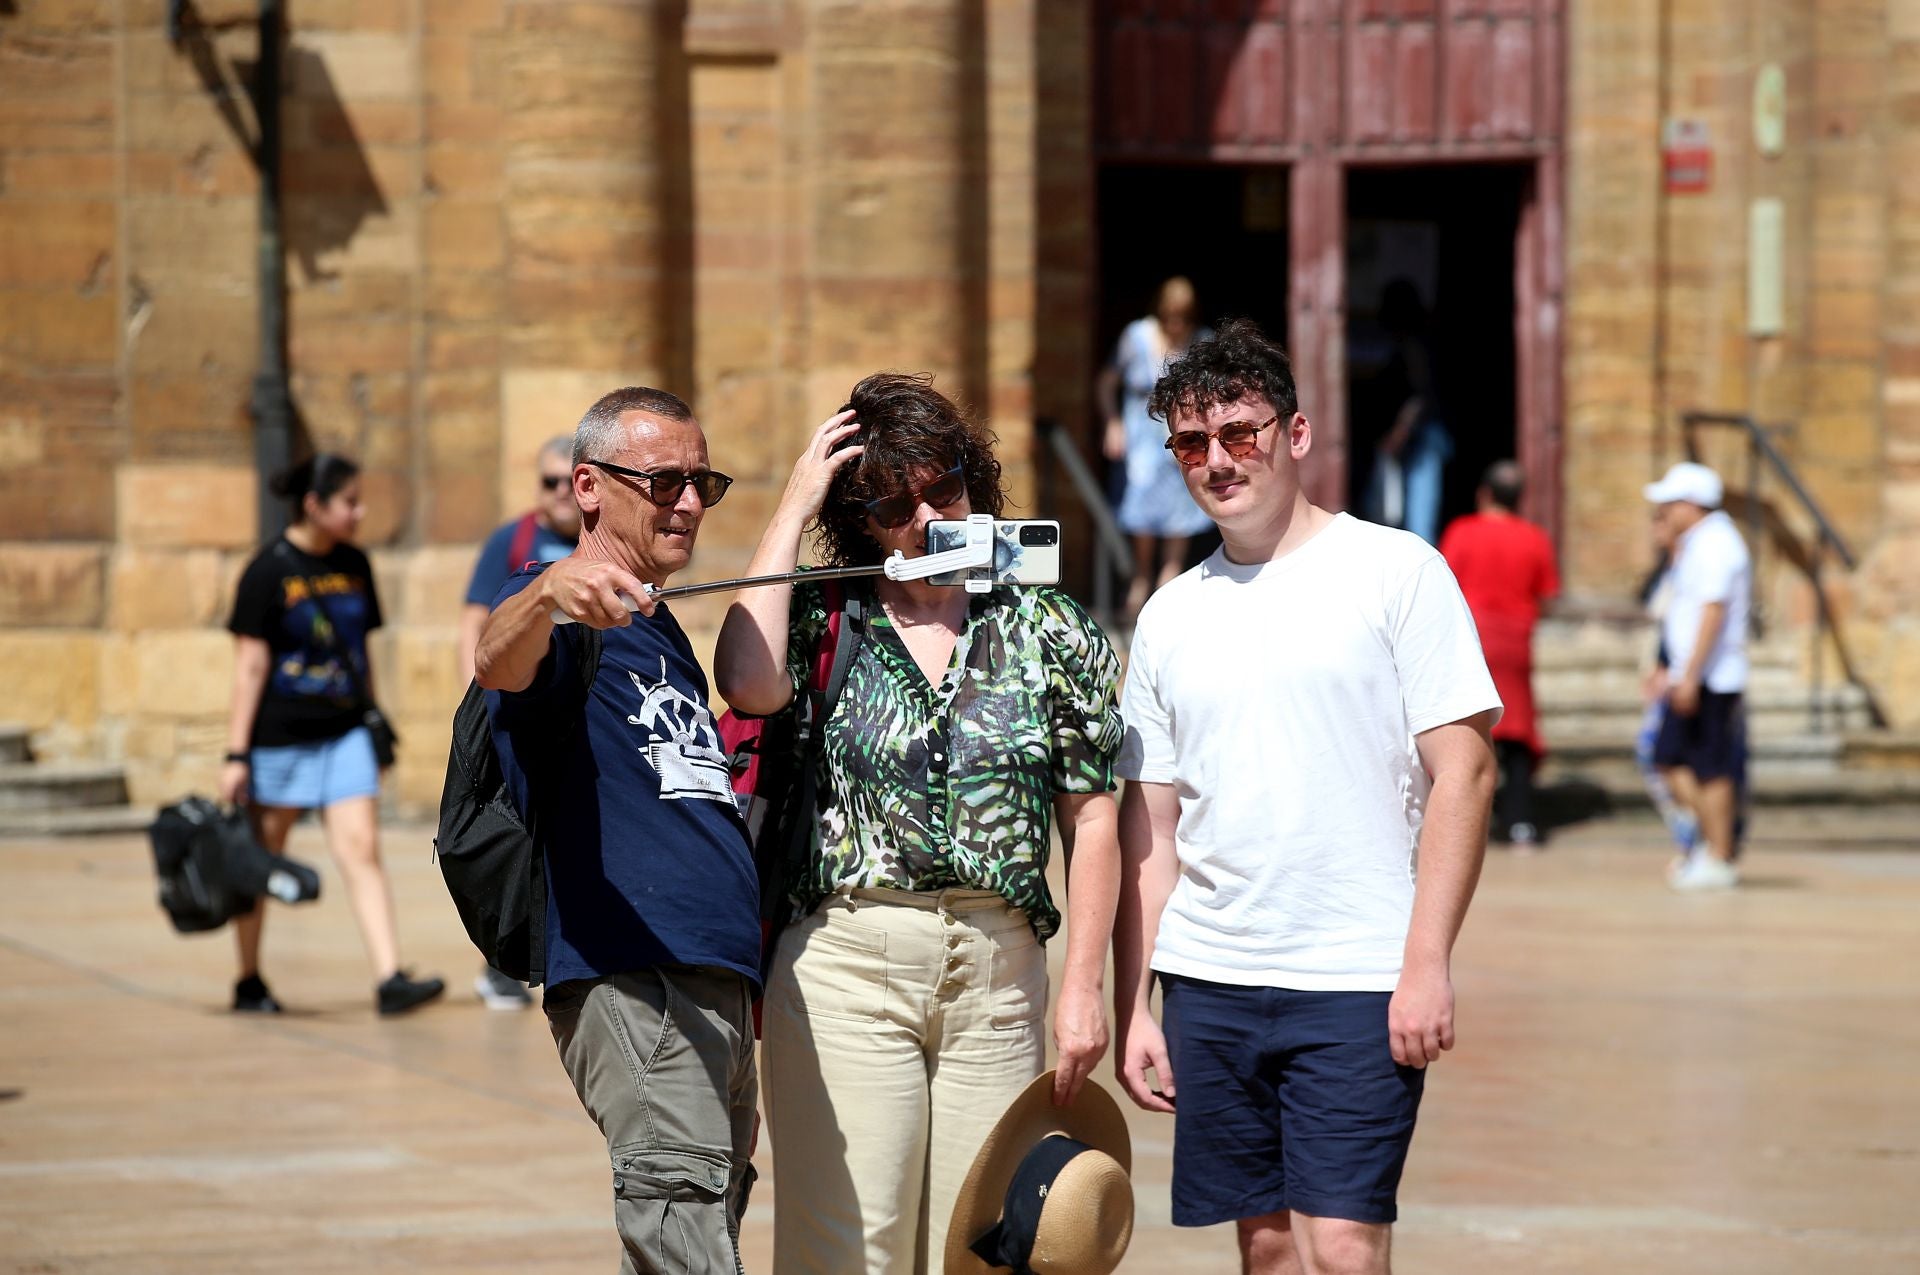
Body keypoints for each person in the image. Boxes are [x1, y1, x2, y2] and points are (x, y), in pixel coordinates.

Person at [1111, 320, 1500, 1275]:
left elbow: (1468, 771)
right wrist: (1134, 1000)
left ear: (1297, 434)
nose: (1218, 461)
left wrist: (1426, 961)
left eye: (1241, 433)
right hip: (1211, 975)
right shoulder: (1168, 615)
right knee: (1271, 1246)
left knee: (1343, 1247)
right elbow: (1150, 829)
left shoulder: (1397, 569)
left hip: (1359, 971)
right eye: (1193, 443)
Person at [714, 372, 1125, 1275]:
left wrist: (1084, 986)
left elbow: (1093, 815)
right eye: (895, 503)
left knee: (979, 1248)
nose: (928, 516)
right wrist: (792, 502)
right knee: (846, 1251)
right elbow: (745, 682)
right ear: (863, 518)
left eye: (944, 486)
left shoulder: (1048, 626)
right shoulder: (825, 612)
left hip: (998, 968)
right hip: (848, 966)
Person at [474, 386, 761, 1274]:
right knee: (687, 1246)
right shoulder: (555, 607)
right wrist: (551, 591)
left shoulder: (656, 618)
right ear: (590, 486)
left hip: (709, 979)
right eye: (664, 480)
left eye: (702, 483)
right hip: (635, 981)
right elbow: (495, 658)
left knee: (705, 1229)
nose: (687, 502)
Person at [219, 454, 445, 1016]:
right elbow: (249, 668)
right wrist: (235, 753)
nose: (359, 511)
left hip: (344, 732)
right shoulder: (266, 571)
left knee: (362, 849)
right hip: (279, 738)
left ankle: (390, 976)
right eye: (349, 502)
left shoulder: (355, 564)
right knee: (263, 859)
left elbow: (361, 654)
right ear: (314, 506)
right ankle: (249, 977)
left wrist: (372, 723)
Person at [458, 434, 581, 1010]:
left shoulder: (598, 541)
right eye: (547, 482)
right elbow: (476, 620)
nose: (558, 494)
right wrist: (479, 699)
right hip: (519, 702)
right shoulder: (515, 540)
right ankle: (503, 961)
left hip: (577, 708)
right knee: (516, 831)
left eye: (567, 481)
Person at [1642, 462, 1751, 890]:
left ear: (1691, 504)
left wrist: (1689, 676)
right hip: (1693, 674)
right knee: (1670, 758)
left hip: (1710, 676)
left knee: (1710, 766)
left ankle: (1720, 854)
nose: (1665, 512)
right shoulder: (1701, 543)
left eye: (1671, 503)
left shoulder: (1716, 544)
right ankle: (1711, 843)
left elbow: (1712, 611)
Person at [1439, 460, 1559, 848]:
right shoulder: (1535, 538)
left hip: (1470, 641)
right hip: (1515, 643)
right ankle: (1519, 820)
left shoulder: (1461, 532)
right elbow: (1548, 594)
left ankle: (1465, 819)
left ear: (1484, 494)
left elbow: (1443, 585)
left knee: (1465, 729)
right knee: (1519, 734)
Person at [1098, 276, 1214, 617]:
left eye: (1184, 317)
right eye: (1171, 316)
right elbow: (1106, 383)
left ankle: (1169, 582)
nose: (1177, 324)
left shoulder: (1202, 341)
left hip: (1184, 434)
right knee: (1142, 505)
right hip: (1142, 435)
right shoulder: (1137, 336)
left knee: (1181, 504)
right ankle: (1141, 576)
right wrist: (1112, 423)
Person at [1365, 279, 1453, 546]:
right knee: (1402, 510)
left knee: (1417, 516)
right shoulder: (1407, 344)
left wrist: (1400, 432)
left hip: (1422, 438)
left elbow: (1420, 395)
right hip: (1416, 437)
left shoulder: (1414, 347)